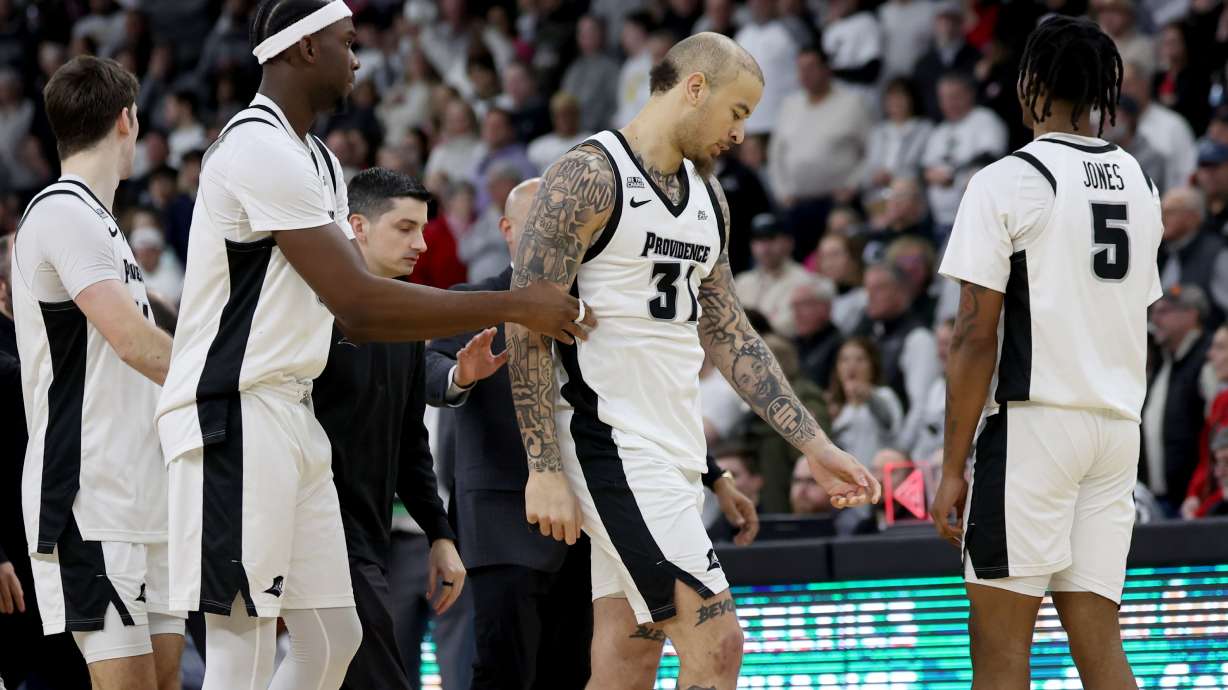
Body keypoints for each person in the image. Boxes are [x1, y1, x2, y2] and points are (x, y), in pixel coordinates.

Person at [153, 3, 593, 689]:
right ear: (301, 50)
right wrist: (514, 303)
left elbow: (359, 319)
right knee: (242, 648)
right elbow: (356, 302)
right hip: (233, 413)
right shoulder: (256, 148)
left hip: (290, 413)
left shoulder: (321, 159)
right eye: (346, 43)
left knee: (335, 638)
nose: (358, 57)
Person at [506, 32, 879, 690]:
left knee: (628, 659)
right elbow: (526, 320)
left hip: (672, 446)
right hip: (609, 440)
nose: (740, 135)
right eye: (738, 113)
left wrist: (812, 445)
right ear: (695, 89)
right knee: (718, 642)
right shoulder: (587, 175)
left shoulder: (710, 200)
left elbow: (731, 332)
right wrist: (542, 465)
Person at [931, 16, 1163, 690]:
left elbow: (974, 336)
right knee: (1100, 649)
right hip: (1117, 430)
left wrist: (951, 467)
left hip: (1035, 429)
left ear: (1029, 83)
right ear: (1099, 92)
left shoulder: (1007, 180)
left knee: (1001, 659)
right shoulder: (1142, 184)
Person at [11, 55, 185, 690]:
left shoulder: (104, 223)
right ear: (127, 120)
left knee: (167, 681)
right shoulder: (62, 211)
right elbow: (134, 343)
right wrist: (231, 379)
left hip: (148, 491)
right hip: (89, 495)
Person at [425, 177, 592, 689]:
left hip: (589, 519)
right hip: (503, 517)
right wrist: (462, 375)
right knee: (504, 670)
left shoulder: (591, 307)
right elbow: (427, 369)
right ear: (508, 229)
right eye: (538, 223)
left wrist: (712, 475)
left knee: (571, 673)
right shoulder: (473, 300)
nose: (552, 235)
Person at [306, 168, 466, 690]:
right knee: (378, 669)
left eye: (423, 228)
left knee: (325, 671)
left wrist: (439, 534)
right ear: (358, 226)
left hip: (372, 533)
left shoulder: (405, 320)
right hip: (315, 523)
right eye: (404, 228)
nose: (421, 243)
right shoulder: (310, 307)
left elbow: (410, 444)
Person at [1142, 285, 1213, 510]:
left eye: (1164, 311)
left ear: (1191, 315)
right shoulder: (1164, 362)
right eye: (1153, 311)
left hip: (1193, 501)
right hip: (1159, 500)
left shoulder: (1208, 360)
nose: (1155, 318)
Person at [734, 212, 818, 337]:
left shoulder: (805, 280)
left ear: (789, 242)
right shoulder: (741, 281)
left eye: (771, 238)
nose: (765, 247)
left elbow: (791, 326)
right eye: (758, 240)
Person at [1157, 187, 1228, 326]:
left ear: (1192, 217)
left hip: (1206, 343)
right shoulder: (1162, 253)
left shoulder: (1217, 254)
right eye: (1161, 210)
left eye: (1170, 211)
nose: (1162, 217)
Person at [827, 337, 903, 467]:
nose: (851, 366)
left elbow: (890, 423)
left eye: (860, 359)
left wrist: (869, 397)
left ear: (872, 365)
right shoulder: (839, 408)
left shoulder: (884, 395)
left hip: (879, 477)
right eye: (844, 360)